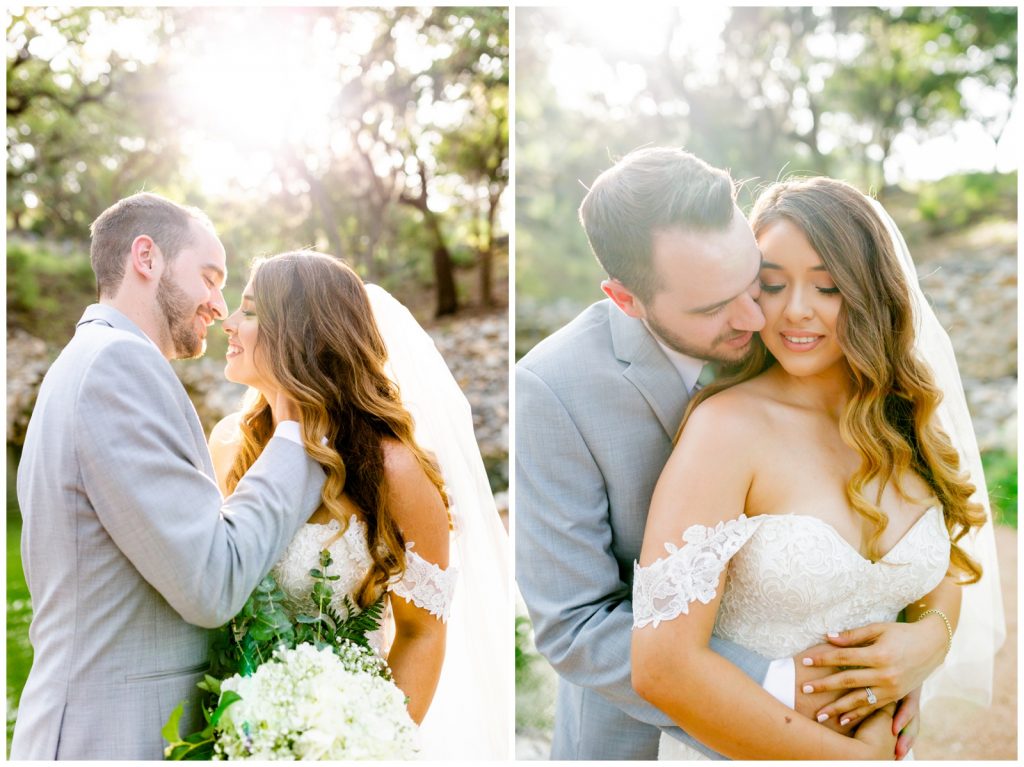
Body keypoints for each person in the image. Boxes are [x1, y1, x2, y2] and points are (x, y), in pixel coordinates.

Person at [515, 148, 969, 760]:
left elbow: (933, 559)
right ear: (627, 299)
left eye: (755, 278)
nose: (763, 314)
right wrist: (804, 691)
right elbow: (574, 624)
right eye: (715, 306)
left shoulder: (877, 400)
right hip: (661, 739)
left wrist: (920, 649)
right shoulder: (554, 389)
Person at [632, 176, 1002, 759]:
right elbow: (662, 668)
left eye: (828, 287)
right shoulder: (726, 430)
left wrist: (930, 639)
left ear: (873, 293)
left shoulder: (905, 420)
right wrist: (854, 759)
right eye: (772, 285)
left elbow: (940, 570)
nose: (795, 311)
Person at [12, 193, 325, 760]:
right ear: (146, 258)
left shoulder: (92, 359)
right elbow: (210, 581)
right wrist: (294, 439)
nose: (218, 305)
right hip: (111, 737)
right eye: (209, 278)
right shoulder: (117, 366)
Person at [208, 251, 511, 759]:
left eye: (250, 311)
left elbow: (422, 633)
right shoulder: (227, 446)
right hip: (236, 736)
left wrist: (366, 743)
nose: (228, 324)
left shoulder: (394, 470)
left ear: (300, 334)